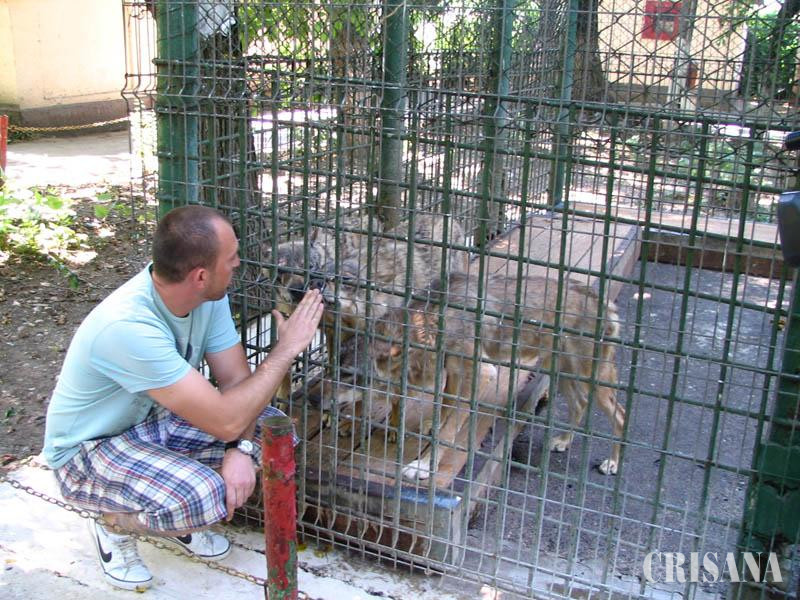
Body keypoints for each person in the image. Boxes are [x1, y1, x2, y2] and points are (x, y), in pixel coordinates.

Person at [42, 205, 324, 591]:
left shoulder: (209, 298)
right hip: (88, 452)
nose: (238, 264)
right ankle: (113, 523)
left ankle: (173, 511)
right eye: (231, 258)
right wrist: (286, 349)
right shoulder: (128, 327)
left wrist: (239, 449)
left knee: (274, 431)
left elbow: (236, 382)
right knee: (203, 495)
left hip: (151, 426)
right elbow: (227, 418)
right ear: (200, 276)